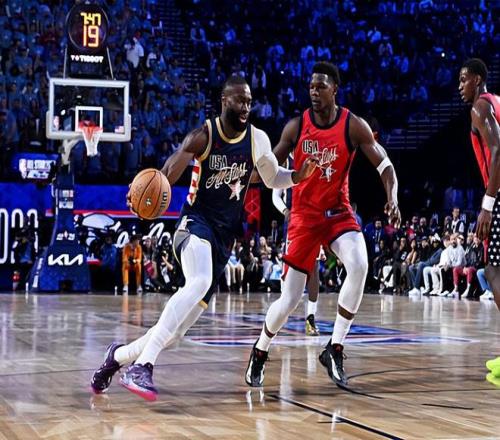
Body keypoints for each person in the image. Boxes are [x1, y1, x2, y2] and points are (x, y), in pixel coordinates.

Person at [90, 76, 317, 400]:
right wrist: (145, 192)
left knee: (175, 333)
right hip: (194, 225)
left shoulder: (257, 139)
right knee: (199, 280)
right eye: (239, 100)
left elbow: (271, 178)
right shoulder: (204, 136)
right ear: (224, 101)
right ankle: (143, 367)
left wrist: (296, 176)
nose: (245, 107)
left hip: (223, 240)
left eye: (249, 101)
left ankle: (117, 357)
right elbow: (168, 171)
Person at [245, 62, 400, 388]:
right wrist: (242, 175)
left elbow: (386, 166)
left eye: (321, 87)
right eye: (311, 87)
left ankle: (335, 347)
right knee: (289, 300)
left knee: (359, 264)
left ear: (335, 90)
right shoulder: (296, 127)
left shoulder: (353, 126)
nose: (314, 92)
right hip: (303, 216)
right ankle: (260, 350)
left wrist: (393, 199)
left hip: (337, 212)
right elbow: (269, 170)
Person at [459, 58, 500, 385]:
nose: (460, 86)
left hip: (498, 196)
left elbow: (498, 149)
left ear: (477, 79)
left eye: (463, 80)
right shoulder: (497, 102)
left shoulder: (480, 107)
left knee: (493, 270)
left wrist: (488, 204)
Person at [272, 158, 321, 336]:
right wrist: (286, 211)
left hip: (313, 219)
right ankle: (282, 312)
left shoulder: (314, 158)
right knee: (289, 270)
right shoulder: (285, 162)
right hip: (294, 223)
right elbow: (275, 196)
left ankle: (310, 317)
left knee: (314, 268)